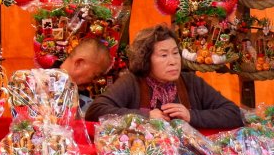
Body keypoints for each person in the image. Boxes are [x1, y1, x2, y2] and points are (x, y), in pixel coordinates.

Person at [85, 24, 243, 129]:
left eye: (175, 53)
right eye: (163, 55)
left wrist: (192, 115)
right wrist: (145, 116)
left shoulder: (191, 82)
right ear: (146, 59)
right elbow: (95, 111)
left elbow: (234, 113)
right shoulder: (131, 82)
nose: (173, 61)